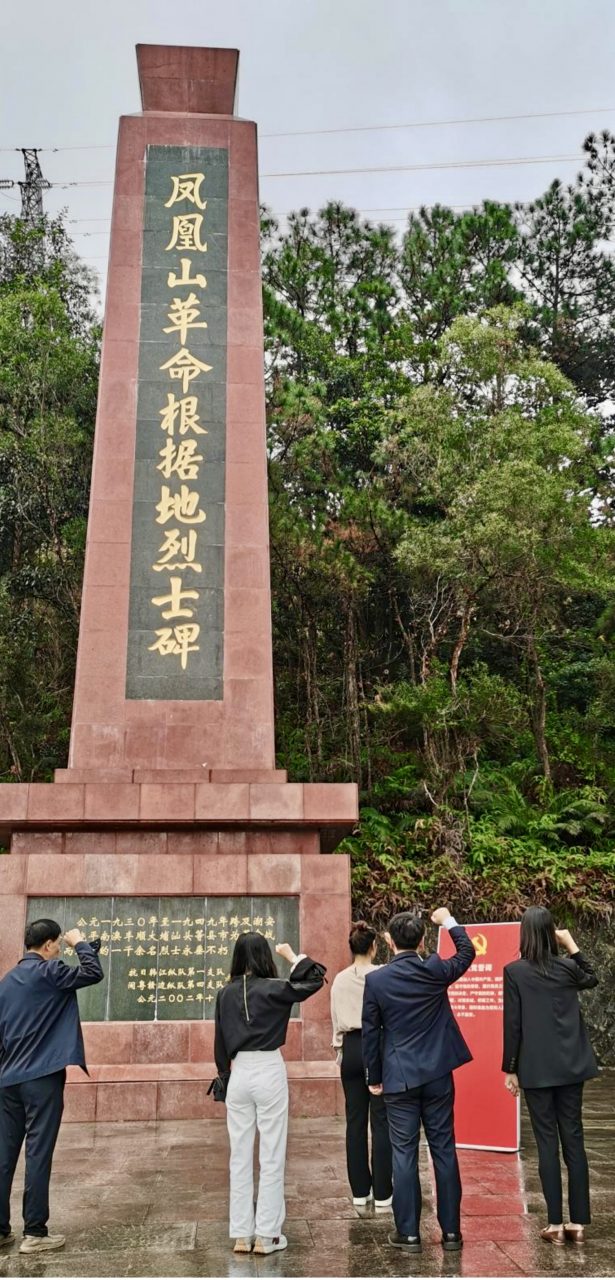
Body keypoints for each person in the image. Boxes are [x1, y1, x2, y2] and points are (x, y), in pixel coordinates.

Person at [362, 906, 475, 1255]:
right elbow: (467, 953)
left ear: (389, 942)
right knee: (444, 1150)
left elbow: (370, 1033)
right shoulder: (435, 969)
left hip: (399, 1078)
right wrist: (448, 921)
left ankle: (408, 1233)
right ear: (423, 940)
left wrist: (374, 1077)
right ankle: (452, 1233)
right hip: (438, 1074)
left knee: (404, 1153)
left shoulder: (377, 980)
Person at [214, 932, 325, 1257]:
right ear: (265, 956)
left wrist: (224, 1076)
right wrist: (293, 957)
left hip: (239, 1073)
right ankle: (267, 1235)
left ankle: (241, 1235)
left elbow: (219, 1042)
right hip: (268, 1069)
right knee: (272, 1155)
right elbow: (316, 979)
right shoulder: (275, 989)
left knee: (239, 1156)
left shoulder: (224, 993)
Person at [0, 918, 104, 1255]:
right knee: (38, 1152)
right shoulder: (50, 971)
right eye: (58, 943)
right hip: (42, 1079)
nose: (60, 948)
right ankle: (34, 1232)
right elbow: (92, 973)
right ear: (47, 945)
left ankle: (0, 1230)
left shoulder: (7, 982)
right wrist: (80, 943)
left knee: (4, 1155)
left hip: (7, 1080)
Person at [503, 906, 598, 1246]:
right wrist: (571, 944)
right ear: (550, 933)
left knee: (547, 1143)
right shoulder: (568, 968)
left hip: (536, 1069)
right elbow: (592, 977)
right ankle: (578, 1223)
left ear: (524, 933)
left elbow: (513, 1024)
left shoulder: (514, 972)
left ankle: (555, 1224)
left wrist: (510, 1068)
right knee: (574, 1139)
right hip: (572, 1067)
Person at [330, 921, 392, 1212]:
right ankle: (383, 1192)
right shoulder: (383, 975)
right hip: (377, 1046)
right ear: (373, 947)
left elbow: (336, 1021)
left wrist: (340, 1051)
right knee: (381, 1121)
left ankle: (359, 1191)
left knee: (355, 1122)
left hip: (351, 1049)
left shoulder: (340, 980)